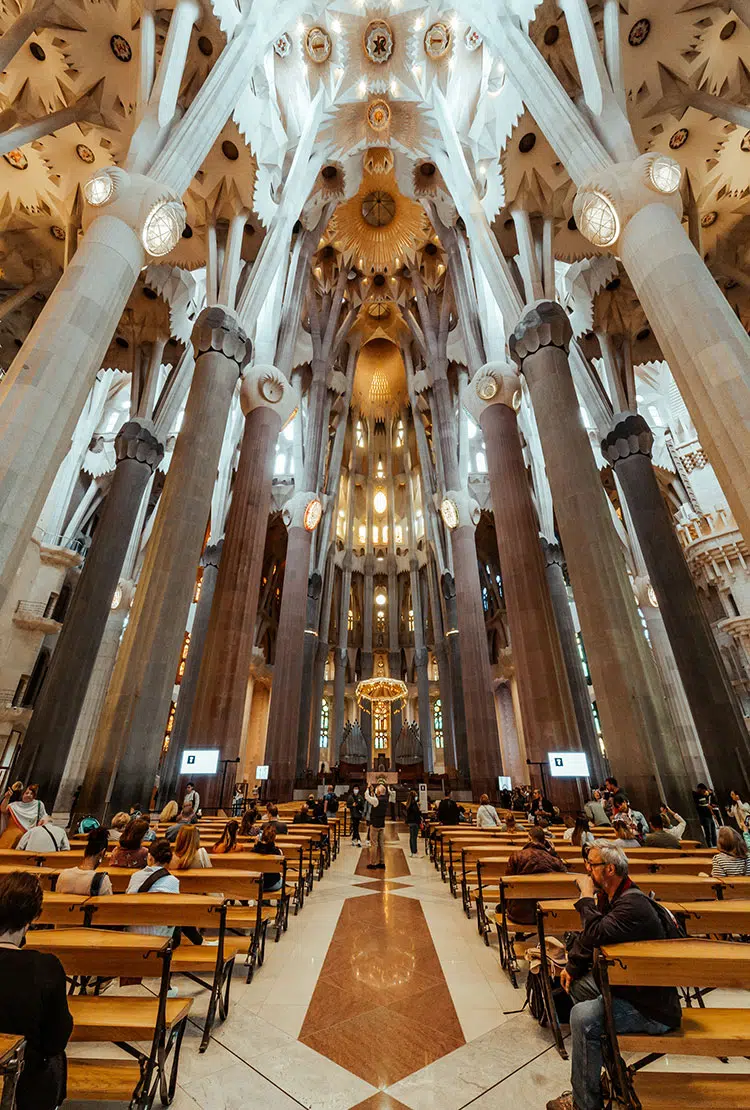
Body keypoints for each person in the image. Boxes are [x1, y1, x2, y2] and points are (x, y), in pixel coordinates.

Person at [546, 841, 682, 1110]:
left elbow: (595, 932)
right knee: (578, 986)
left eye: (591, 865)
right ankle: (612, 1072)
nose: (587, 869)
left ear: (609, 869)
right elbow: (593, 937)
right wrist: (572, 967)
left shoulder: (632, 905)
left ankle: (584, 1103)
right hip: (630, 988)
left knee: (582, 1018)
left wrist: (585, 896)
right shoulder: (616, 896)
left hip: (651, 1007)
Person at [0, 871, 73, 1109]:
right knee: (53, 1058)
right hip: (24, 1083)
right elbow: (56, 1039)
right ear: (33, 917)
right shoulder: (46, 967)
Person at [504, 826, 568, 924]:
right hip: (549, 913)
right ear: (544, 841)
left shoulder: (517, 856)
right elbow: (565, 878)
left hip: (520, 914)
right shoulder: (553, 859)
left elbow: (507, 885)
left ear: (529, 838)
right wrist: (554, 854)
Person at [126, 838, 180, 937]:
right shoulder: (174, 882)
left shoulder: (135, 876)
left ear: (150, 857)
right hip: (160, 935)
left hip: (134, 932)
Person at [56, 827, 113, 896]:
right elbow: (108, 902)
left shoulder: (63, 875)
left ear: (85, 850)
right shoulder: (103, 881)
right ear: (102, 853)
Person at [251, 823, 283, 892]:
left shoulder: (254, 851)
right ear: (274, 837)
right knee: (282, 878)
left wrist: (256, 845)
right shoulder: (278, 852)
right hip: (272, 884)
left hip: (257, 883)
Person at [365, 784, 388, 870]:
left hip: (375, 824)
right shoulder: (385, 799)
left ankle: (373, 863)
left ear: (379, 791)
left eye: (377, 790)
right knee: (381, 844)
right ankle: (382, 862)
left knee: (374, 844)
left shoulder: (376, 800)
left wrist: (367, 788)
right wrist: (372, 791)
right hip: (382, 824)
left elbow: (367, 797)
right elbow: (375, 799)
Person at [694, 782, 719, 847]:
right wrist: (706, 807)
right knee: (708, 833)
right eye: (703, 791)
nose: (704, 792)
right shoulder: (696, 796)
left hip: (709, 816)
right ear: (699, 789)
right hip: (704, 817)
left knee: (713, 832)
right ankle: (710, 846)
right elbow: (698, 807)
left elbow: (707, 803)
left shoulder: (704, 796)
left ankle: (715, 845)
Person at [404, 789, 422, 857]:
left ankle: (412, 851)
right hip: (414, 822)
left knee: (412, 837)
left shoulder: (408, 804)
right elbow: (416, 813)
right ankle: (414, 851)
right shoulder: (414, 804)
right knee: (414, 837)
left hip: (410, 822)